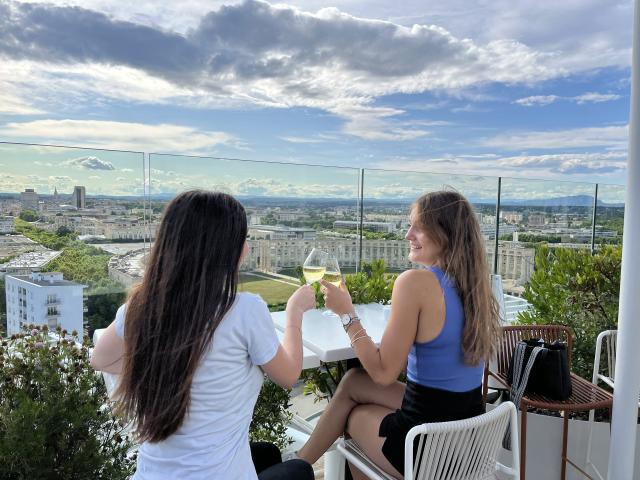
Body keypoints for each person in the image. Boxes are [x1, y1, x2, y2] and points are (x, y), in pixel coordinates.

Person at [91, 190, 316, 480]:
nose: (246, 248)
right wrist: (294, 313)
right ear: (227, 249)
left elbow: (100, 358)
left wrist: (168, 362)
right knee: (299, 470)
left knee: (267, 454)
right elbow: (289, 375)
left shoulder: (140, 308)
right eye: (243, 240)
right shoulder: (244, 310)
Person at [296, 190, 501, 479]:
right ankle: (297, 465)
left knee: (354, 418)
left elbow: (383, 374)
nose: (408, 235)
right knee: (355, 381)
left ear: (444, 233)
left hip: (430, 450)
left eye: (418, 227)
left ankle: (293, 469)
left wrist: (347, 313)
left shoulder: (415, 283)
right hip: (469, 439)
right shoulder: (476, 286)